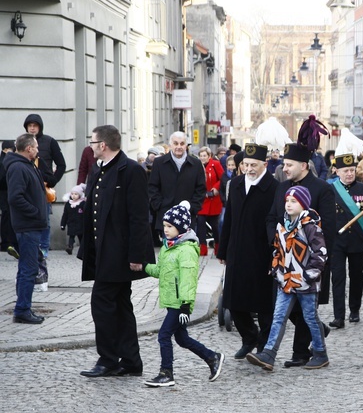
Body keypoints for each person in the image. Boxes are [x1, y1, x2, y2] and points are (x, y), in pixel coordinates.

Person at [79, 125, 156, 377]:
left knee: (101, 303)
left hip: (120, 254)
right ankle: (132, 361)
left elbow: (138, 217)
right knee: (121, 306)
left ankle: (109, 359)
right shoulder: (97, 169)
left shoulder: (131, 170)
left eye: (92, 142)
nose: (90, 146)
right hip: (102, 252)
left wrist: (137, 256)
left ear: (103, 145)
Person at [267, 133, 336, 368]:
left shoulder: (322, 189)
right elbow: (273, 218)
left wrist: (319, 264)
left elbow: (328, 228)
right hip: (286, 263)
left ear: (304, 166)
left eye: (288, 165)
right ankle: (276, 352)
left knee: (306, 311)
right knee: (289, 311)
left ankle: (303, 352)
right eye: (284, 164)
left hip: (310, 265)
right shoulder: (282, 188)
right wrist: (277, 243)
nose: (284, 168)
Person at [247, 186, 329, 371]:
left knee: (310, 318)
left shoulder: (310, 226)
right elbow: (278, 250)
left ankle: (320, 352)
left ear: (303, 204)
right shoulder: (282, 225)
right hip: (285, 281)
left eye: (294, 201)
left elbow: (321, 253)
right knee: (278, 317)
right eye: (287, 201)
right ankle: (269, 354)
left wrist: (309, 275)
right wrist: (277, 270)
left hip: (305, 282)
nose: (289, 204)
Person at [143, 201, 223, 387]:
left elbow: (188, 280)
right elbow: (160, 271)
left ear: (181, 227)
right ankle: (213, 357)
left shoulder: (186, 250)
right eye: (164, 226)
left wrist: (186, 307)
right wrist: (143, 267)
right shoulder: (168, 247)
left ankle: (166, 373)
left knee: (164, 335)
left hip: (180, 304)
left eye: (170, 226)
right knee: (181, 338)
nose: (166, 230)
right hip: (172, 301)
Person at [217, 144, 278, 360]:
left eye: (254, 165)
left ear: (265, 164)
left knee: (263, 303)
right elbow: (229, 219)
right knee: (233, 301)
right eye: (246, 164)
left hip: (262, 252)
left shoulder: (274, 187)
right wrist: (222, 249)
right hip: (236, 249)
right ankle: (248, 337)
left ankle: (263, 344)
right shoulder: (235, 184)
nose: (249, 169)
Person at [4, 134, 48, 324]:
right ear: (28, 148)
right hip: (27, 226)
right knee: (28, 270)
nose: (38, 149)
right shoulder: (18, 167)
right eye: (36, 146)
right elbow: (15, 198)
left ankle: (23, 309)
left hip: (32, 225)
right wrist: (36, 212)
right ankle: (22, 310)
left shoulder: (28, 165)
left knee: (27, 268)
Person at [329, 152, 363, 328]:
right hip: (337, 242)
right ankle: (338, 316)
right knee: (338, 278)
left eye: (352, 170)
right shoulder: (330, 190)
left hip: (357, 241)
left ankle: (354, 309)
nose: (349, 174)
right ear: (336, 171)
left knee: (356, 276)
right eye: (345, 170)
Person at [24, 114, 67, 258]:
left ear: (40, 127)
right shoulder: (22, 142)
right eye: (29, 125)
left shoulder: (50, 142)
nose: (32, 128)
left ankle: (43, 249)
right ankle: (29, 248)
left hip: (43, 188)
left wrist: (52, 181)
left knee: (45, 220)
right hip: (26, 187)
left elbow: (61, 165)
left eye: (35, 125)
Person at [148, 132, 206, 238]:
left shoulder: (196, 164)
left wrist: (193, 208)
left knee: (186, 252)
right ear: (170, 145)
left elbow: (201, 189)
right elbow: (152, 187)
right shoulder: (159, 163)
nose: (179, 146)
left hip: (187, 218)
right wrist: (159, 205)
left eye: (182, 143)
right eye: (175, 143)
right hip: (166, 219)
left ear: (186, 145)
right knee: (168, 253)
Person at [196, 147, 223, 256]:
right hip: (202, 199)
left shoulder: (215, 164)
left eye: (204, 155)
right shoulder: (197, 166)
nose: (202, 158)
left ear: (209, 156)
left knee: (215, 226)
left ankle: (218, 246)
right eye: (201, 156)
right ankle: (202, 248)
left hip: (213, 199)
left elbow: (222, 178)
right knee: (201, 223)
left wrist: (216, 188)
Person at [0, 140, 18, 253]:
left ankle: (9, 242)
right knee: (7, 215)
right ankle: (6, 242)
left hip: (8, 191)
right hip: (4, 192)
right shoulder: (4, 161)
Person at [60, 183, 86, 255]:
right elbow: (65, 214)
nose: (73, 196)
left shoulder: (82, 203)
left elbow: (86, 214)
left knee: (81, 237)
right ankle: (70, 247)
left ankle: (82, 249)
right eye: (72, 194)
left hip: (80, 223)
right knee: (71, 236)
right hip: (71, 223)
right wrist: (63, 224)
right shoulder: (69, 204)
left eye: (76, 194)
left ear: (80, 195)